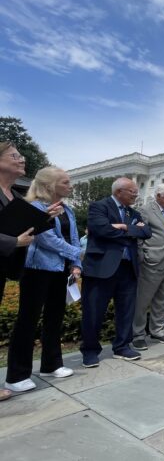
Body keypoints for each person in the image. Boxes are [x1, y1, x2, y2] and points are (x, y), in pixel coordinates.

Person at [4, 167, 81, 393]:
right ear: (50, 185)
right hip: (38, 269)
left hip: (61, 269)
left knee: (54, 318)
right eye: (65, 182)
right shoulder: (36, 207)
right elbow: (47, 239)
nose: (70, 185)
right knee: (28, 320)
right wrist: (76, 253)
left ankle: (51, 364)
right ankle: (16, 375)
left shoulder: (68, 209)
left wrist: (76, 263)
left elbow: (74, 236)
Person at [0, 142, 62, 400]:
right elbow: (12, 235)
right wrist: (13, 242)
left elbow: (17, 227)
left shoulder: (14, 193)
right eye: (15, 156)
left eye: (21, 156)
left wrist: (42, 219)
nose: (21, 159)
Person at [80, 178, 151, 367]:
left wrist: (124, 227)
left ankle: (122, 346)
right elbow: (101, 230)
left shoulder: (133, 212)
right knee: (93, 311)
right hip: (101, 268)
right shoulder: (99, 206)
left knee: (126, 310)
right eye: (132, 192)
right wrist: (133, 231)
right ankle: (90, 350)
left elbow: (147, 232)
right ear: (119, 191)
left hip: (128, 268)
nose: (136, 195)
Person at [132, 185, 164, 351]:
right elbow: (138, 235)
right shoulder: (145, 210)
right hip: (151, 262)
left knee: (162, 299)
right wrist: (143, 255)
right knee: (143, 300)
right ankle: (137, 334)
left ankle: (157, 330)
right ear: (158, 196)